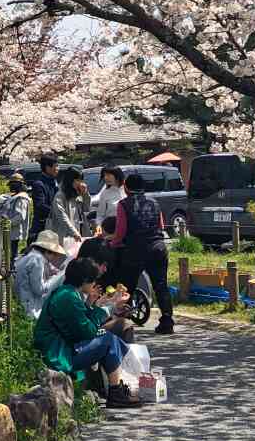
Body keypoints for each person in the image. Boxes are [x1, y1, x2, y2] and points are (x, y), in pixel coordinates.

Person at [33, 257, 143, 408]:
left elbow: (84, 322)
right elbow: (88, 331)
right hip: (58, 355)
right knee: (108, 339)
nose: (94, 285)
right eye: (93, 281)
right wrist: (108, 308)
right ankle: (115, 392)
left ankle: (114, 389)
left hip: (62, 348)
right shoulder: (68, 297)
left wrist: (101, 306)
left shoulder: (67, 293)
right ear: (85, 280)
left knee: (108, 338)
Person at [108, 171, 176, 334]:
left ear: (126, 187)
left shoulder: (124, 204)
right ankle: (167, 321)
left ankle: (122, 322)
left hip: (134, 250)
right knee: (161, 286)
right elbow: (160, 225)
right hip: (157, 247)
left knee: (126, 287)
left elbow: (121, 231)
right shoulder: (154, 203)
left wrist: (113, 244)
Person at [12, 230, 70, 319]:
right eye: (54, 254)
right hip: (29, 306)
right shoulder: (37, 260)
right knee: (62, 276)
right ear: (48, 251)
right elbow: (39, 290)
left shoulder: (31, 256)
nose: (54, 257)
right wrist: (54, 278)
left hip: (22, 301)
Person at [0, 172, 33, 262]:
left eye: (13, 184)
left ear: (19, 185)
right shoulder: (12, 197)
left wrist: (7, 223)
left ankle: (12, 272)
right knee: (4, 255)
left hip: (15, 232)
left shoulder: (22, 198)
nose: (11, 186)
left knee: (13, 255)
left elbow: (20, 216)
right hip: (7, 231)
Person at [27, 154, 64, 241]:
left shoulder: (54, 182)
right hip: (42, 227)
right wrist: (57, 212)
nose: (58, 169)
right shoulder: (39, 184)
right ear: (48, 167)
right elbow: (40, 205)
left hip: (55, 225)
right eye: (56, 166)